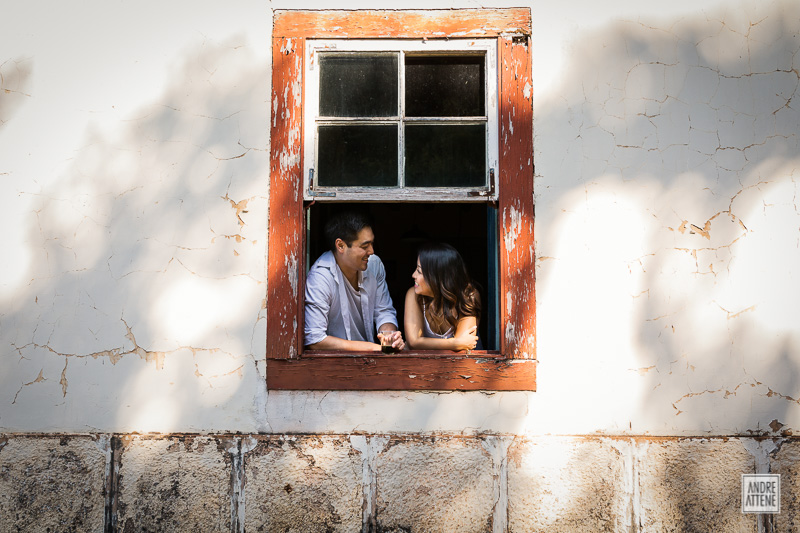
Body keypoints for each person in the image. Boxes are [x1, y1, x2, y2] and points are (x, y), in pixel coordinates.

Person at [305, 211, 405, 352]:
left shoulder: (374, 264)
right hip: (334, 361)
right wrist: (374, 348)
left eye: (372, 244)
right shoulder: (321, 277)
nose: (371, 251)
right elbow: (315, 340)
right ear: (340, 245)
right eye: (364, 246)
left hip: (372, 358)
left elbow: (384, 311)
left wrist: (389, 337)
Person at [404, 242, 481, 351]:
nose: (413, 275)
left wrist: (423, 343)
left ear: (437, 277)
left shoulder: (468, 296)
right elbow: (413, 342)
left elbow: (463, 348)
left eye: (419, 271)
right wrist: (454, 343)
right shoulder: (414, 294)